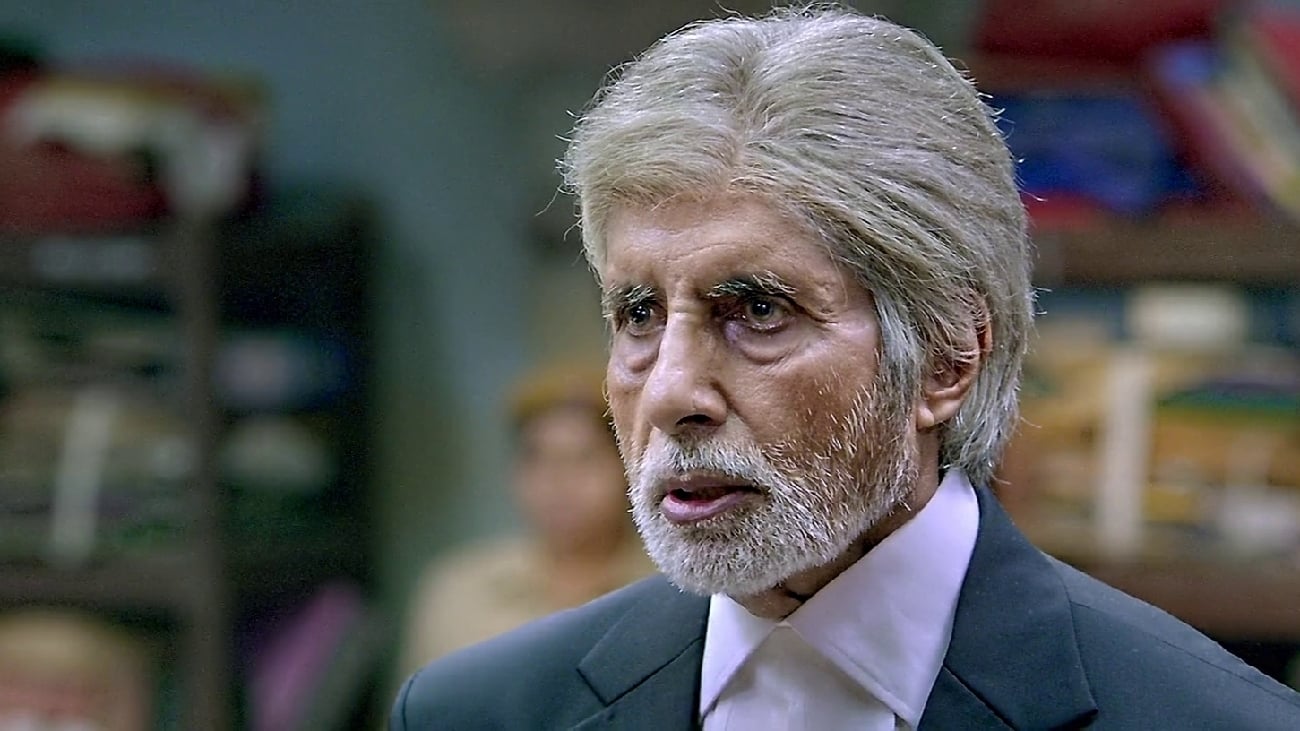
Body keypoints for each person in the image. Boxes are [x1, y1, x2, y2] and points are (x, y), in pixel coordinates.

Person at [391, 5, 1300, 729]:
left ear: (946, 357)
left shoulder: (1206, 718)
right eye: (639, 314)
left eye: (757, 310)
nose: (668, 392)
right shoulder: (476, 712)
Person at [397, 360, 653, 671]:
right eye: (537, 458)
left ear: (629, 468)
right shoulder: (458, 592)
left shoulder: (665, 593)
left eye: (583, 458)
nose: (558, 481)